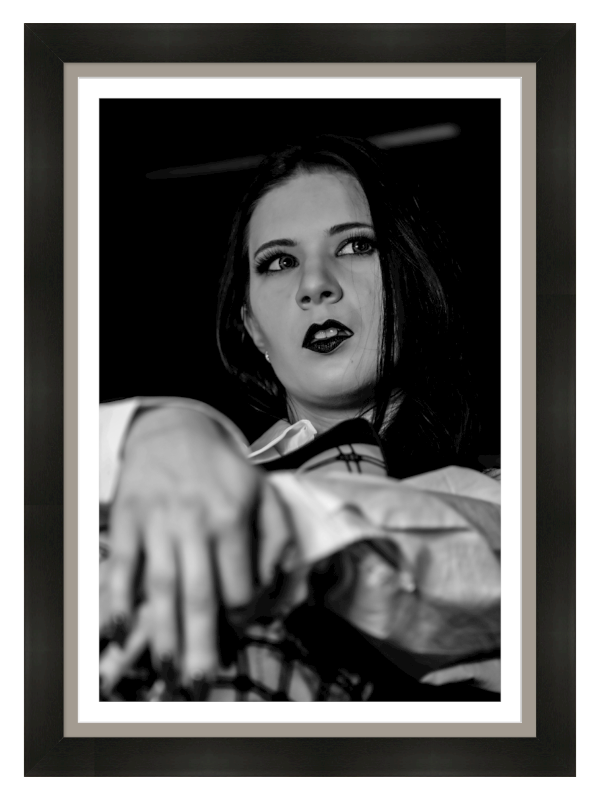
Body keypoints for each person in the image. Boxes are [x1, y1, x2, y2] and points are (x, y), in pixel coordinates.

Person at [99, 134, 500, 702]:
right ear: (254, 327)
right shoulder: (142, 465)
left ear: (411, 277)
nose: (316, 285)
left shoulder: (506, 494)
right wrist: (148, 432)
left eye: (357, 246)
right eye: (280, 262)